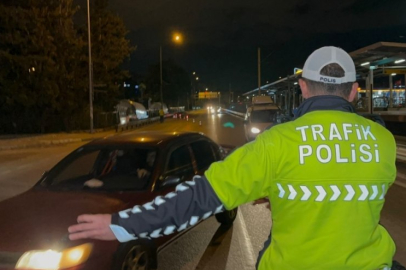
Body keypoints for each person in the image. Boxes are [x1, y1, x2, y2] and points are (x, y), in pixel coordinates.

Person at [68, 47, 396, 270]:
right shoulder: (383, 142)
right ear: (354, 92)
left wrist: (124, 225)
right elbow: (345, 186)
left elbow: (200, 198)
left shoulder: (277, 143)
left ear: (303, 88)